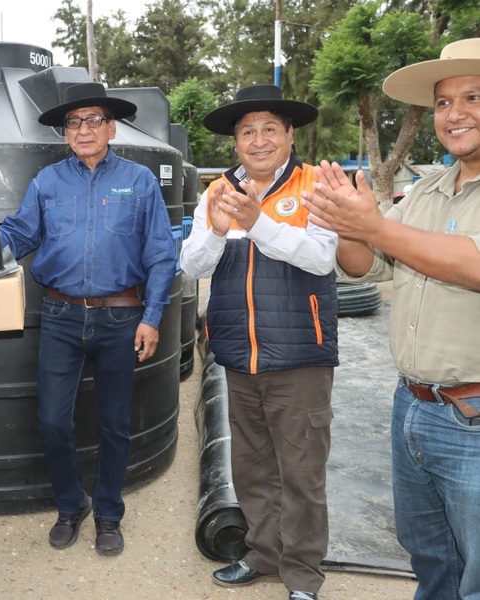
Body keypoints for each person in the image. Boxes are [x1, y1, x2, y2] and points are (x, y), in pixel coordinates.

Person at [0, 82, 176, 556]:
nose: (83, 130)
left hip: (122, 317)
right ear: (65, 134)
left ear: (112, 127)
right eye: (74, 123)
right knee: (52, 421)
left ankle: (108, 513)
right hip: (60, 317)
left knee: (114, 424)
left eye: (93, 120)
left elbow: (162, 255)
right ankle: (70, 505)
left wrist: (154, 316)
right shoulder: (47, 182)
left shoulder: (139, 181)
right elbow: (18, 235)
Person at [302, 37, 480, 600]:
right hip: (415, 407)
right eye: (444, 103)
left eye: (473, 96)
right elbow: (367, 264)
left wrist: (375, 226)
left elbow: (473, 263)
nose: (456, 114)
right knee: (432, 561)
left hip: (473, 421)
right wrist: (340, 225)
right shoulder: (428, 186)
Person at [179, 84, 339, 600]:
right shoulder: (216, 192)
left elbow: (320, 259)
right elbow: (191, 266)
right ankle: (263, 554)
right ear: (235, 143)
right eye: (247, 131)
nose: (259, 139)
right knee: (250, 467)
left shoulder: (317, 186)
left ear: (290, 134)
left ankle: (303, 576)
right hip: (238, 356)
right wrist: (216, 230)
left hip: (299, 357)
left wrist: (258, 223)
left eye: (270, 127)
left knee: (302, 474)